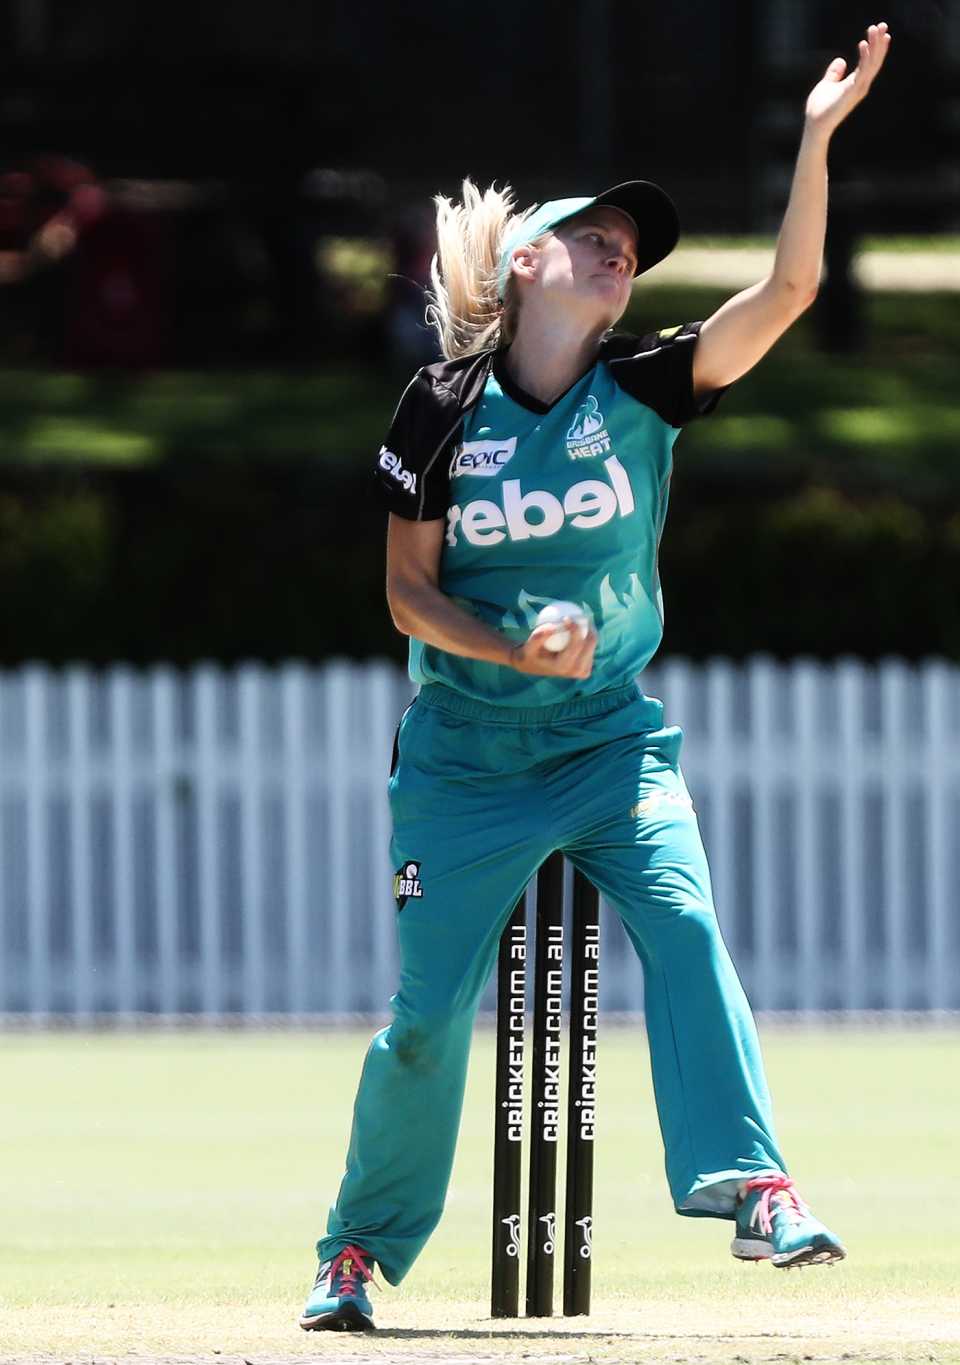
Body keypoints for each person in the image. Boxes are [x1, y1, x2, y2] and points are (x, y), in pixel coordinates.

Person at [301, 22, 891, 1332]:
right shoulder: (440, 407)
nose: (622, 249)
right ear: (528, 263)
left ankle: (757, 1185)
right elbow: (405, 593)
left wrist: (812, 136)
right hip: (466, 756)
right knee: (423, 1022)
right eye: (597, 233)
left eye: (633, 246)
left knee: (685, 926)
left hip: (610, 742)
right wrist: (512, 646)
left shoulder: (643, 384)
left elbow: (788, 297)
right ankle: (355, 1248)